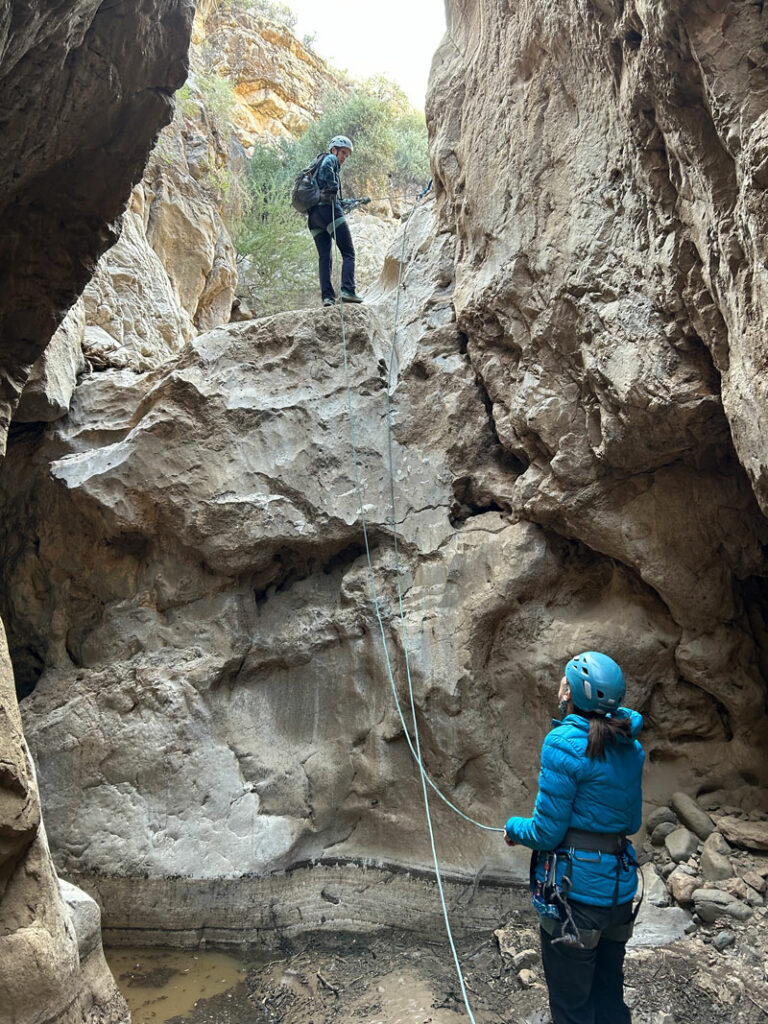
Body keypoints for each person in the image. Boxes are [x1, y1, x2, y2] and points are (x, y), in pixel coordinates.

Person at [504, 651, 645, 1024]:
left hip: (575, 901)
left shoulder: (562, 742)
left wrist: (513, 829)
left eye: (564, 682)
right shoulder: (630, 745)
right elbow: (630, 822)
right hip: (619, 894)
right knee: (609, 998)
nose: (560, 687)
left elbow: (546, 832)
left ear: (572, 695)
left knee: (572, 1010)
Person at [307, 134, 364, 307]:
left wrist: (356, 202)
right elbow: (329, 180)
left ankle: (327, 298)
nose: (344, 158)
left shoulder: (315, 172)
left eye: (347, 155)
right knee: (348, 253)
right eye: (343, 153)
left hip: (314, 217)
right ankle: (347, 290)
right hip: (328, 211)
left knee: (325, 257)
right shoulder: (330, 159)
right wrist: (333, 186)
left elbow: (333, 197)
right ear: (334, 149)